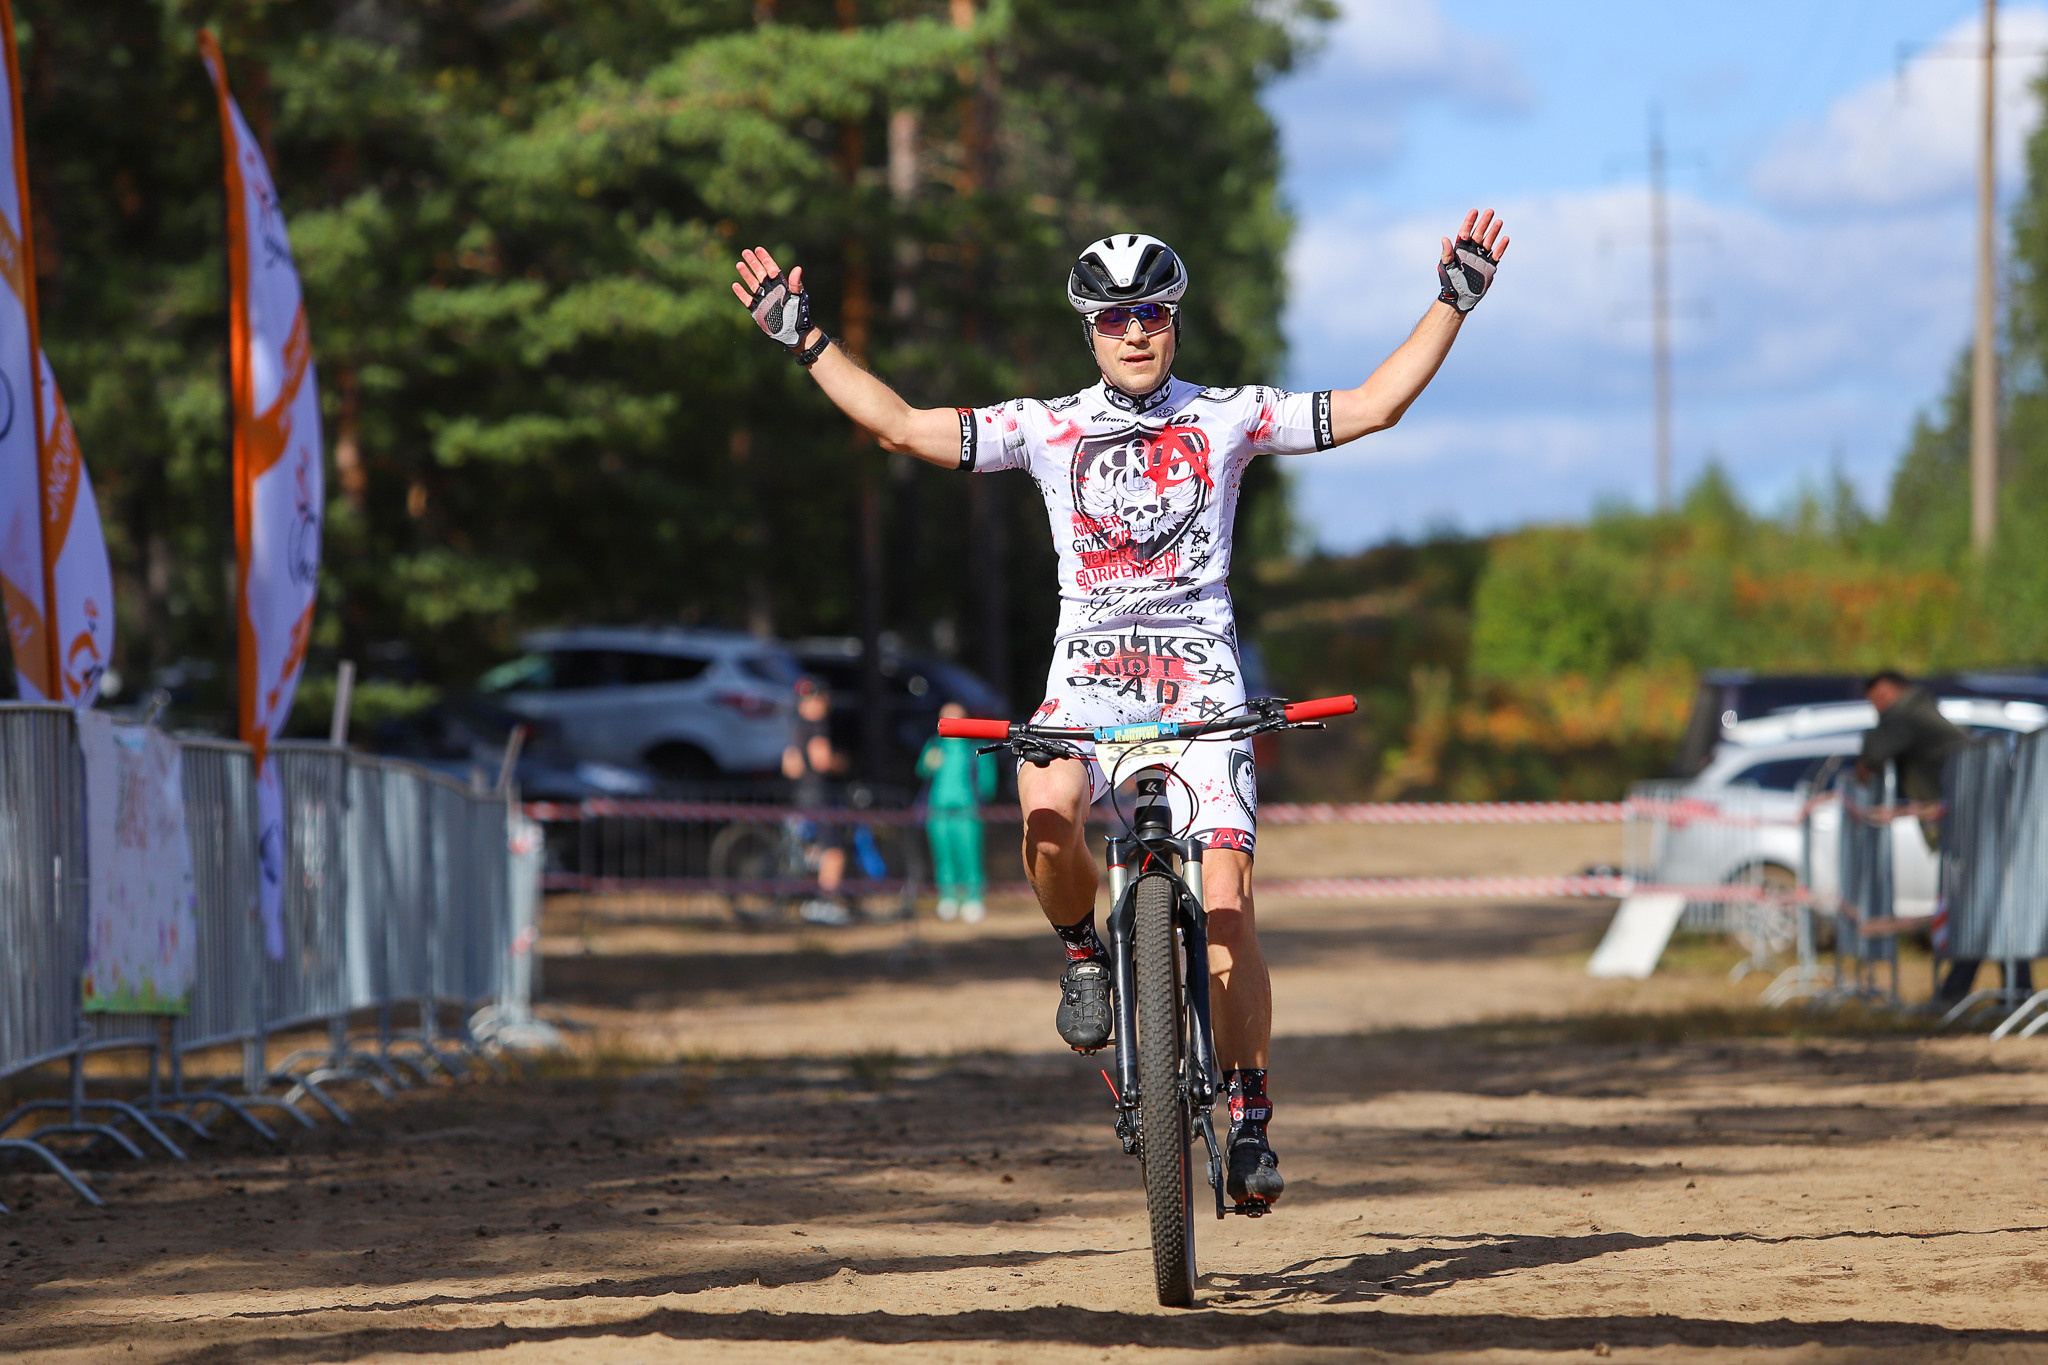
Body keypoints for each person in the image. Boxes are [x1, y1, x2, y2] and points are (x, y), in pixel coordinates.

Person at [733, 212, 1507, 1207]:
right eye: (1111, 317)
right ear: (1087, 332)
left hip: (1203, 688)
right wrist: (805, 339)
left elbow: (1370, 406)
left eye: (1150, 312)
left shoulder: (1227, 417)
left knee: (1225, 906)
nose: (1132, 331)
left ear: (1172, 322)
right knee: (1043, 809)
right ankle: (1083, 954)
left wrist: (1452, 301)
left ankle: (1249, 1113)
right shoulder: (1049, 428)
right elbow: (903, 427)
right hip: (1087, 683)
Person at [1858, 670, 2030, 1003]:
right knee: (1984, 902)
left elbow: (1875, 753)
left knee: (1982, 902)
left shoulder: (1907, 714)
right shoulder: (1923, 712)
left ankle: (1992, 990)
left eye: (1880, 698)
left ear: (1898, 691)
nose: (1879, 708)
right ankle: (1996, 989)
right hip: (1984, 821)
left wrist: (1866, 761)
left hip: (1975, 824)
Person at [918, 701, 999, 923]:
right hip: (938, 809)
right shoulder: (934, 745)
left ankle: (973, 898)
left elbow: (987, 781)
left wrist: (981, 801)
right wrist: (927, 763)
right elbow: (922, 771)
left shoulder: (976, 746)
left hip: (967, 809)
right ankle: (948, 897)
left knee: (970, 854)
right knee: (943, 855)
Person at [784, 678, 852, 926]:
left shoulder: (795, 725)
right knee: (833, 851)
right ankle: (826, 903)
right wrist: (839, 762)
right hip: (820, 794)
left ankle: (808, 900)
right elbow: (821, 759)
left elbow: (789, 766)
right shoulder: (816, 725)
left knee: (812, 850)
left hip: (802, 793)